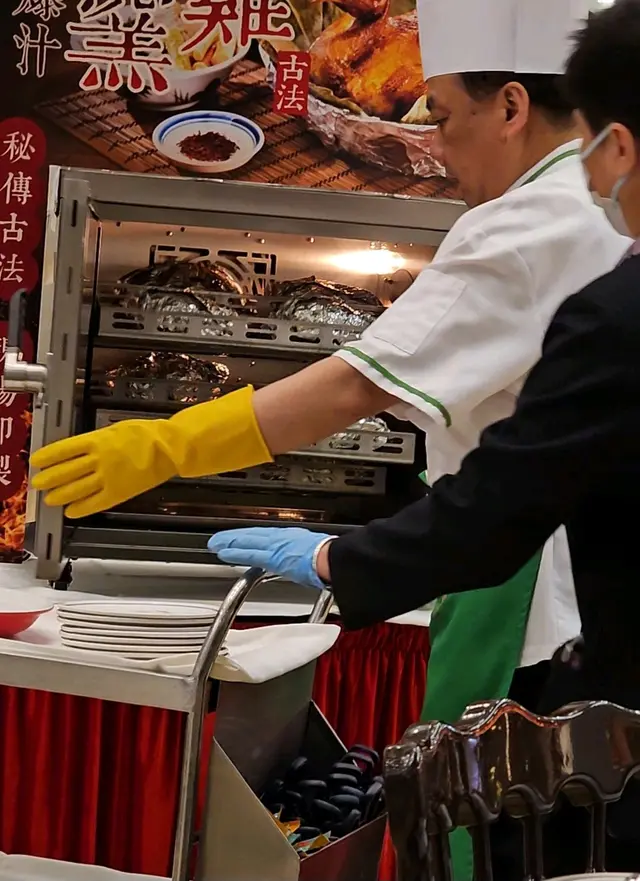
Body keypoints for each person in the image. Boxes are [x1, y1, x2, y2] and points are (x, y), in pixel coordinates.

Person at [30, 2, 627, 875]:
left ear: (510, 106)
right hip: (570, 576)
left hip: (525, 584)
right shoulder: (592, 208)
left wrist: (165, 448)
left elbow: (355, 383)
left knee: (489, 832)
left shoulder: (531, 220)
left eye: (444, 118)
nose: (438, 149)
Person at [207, 1, 640, 875]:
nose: (592, 180)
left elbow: (487, 492)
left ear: (618, 145)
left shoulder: (604, 296)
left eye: (594, 147)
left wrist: (331, 556)